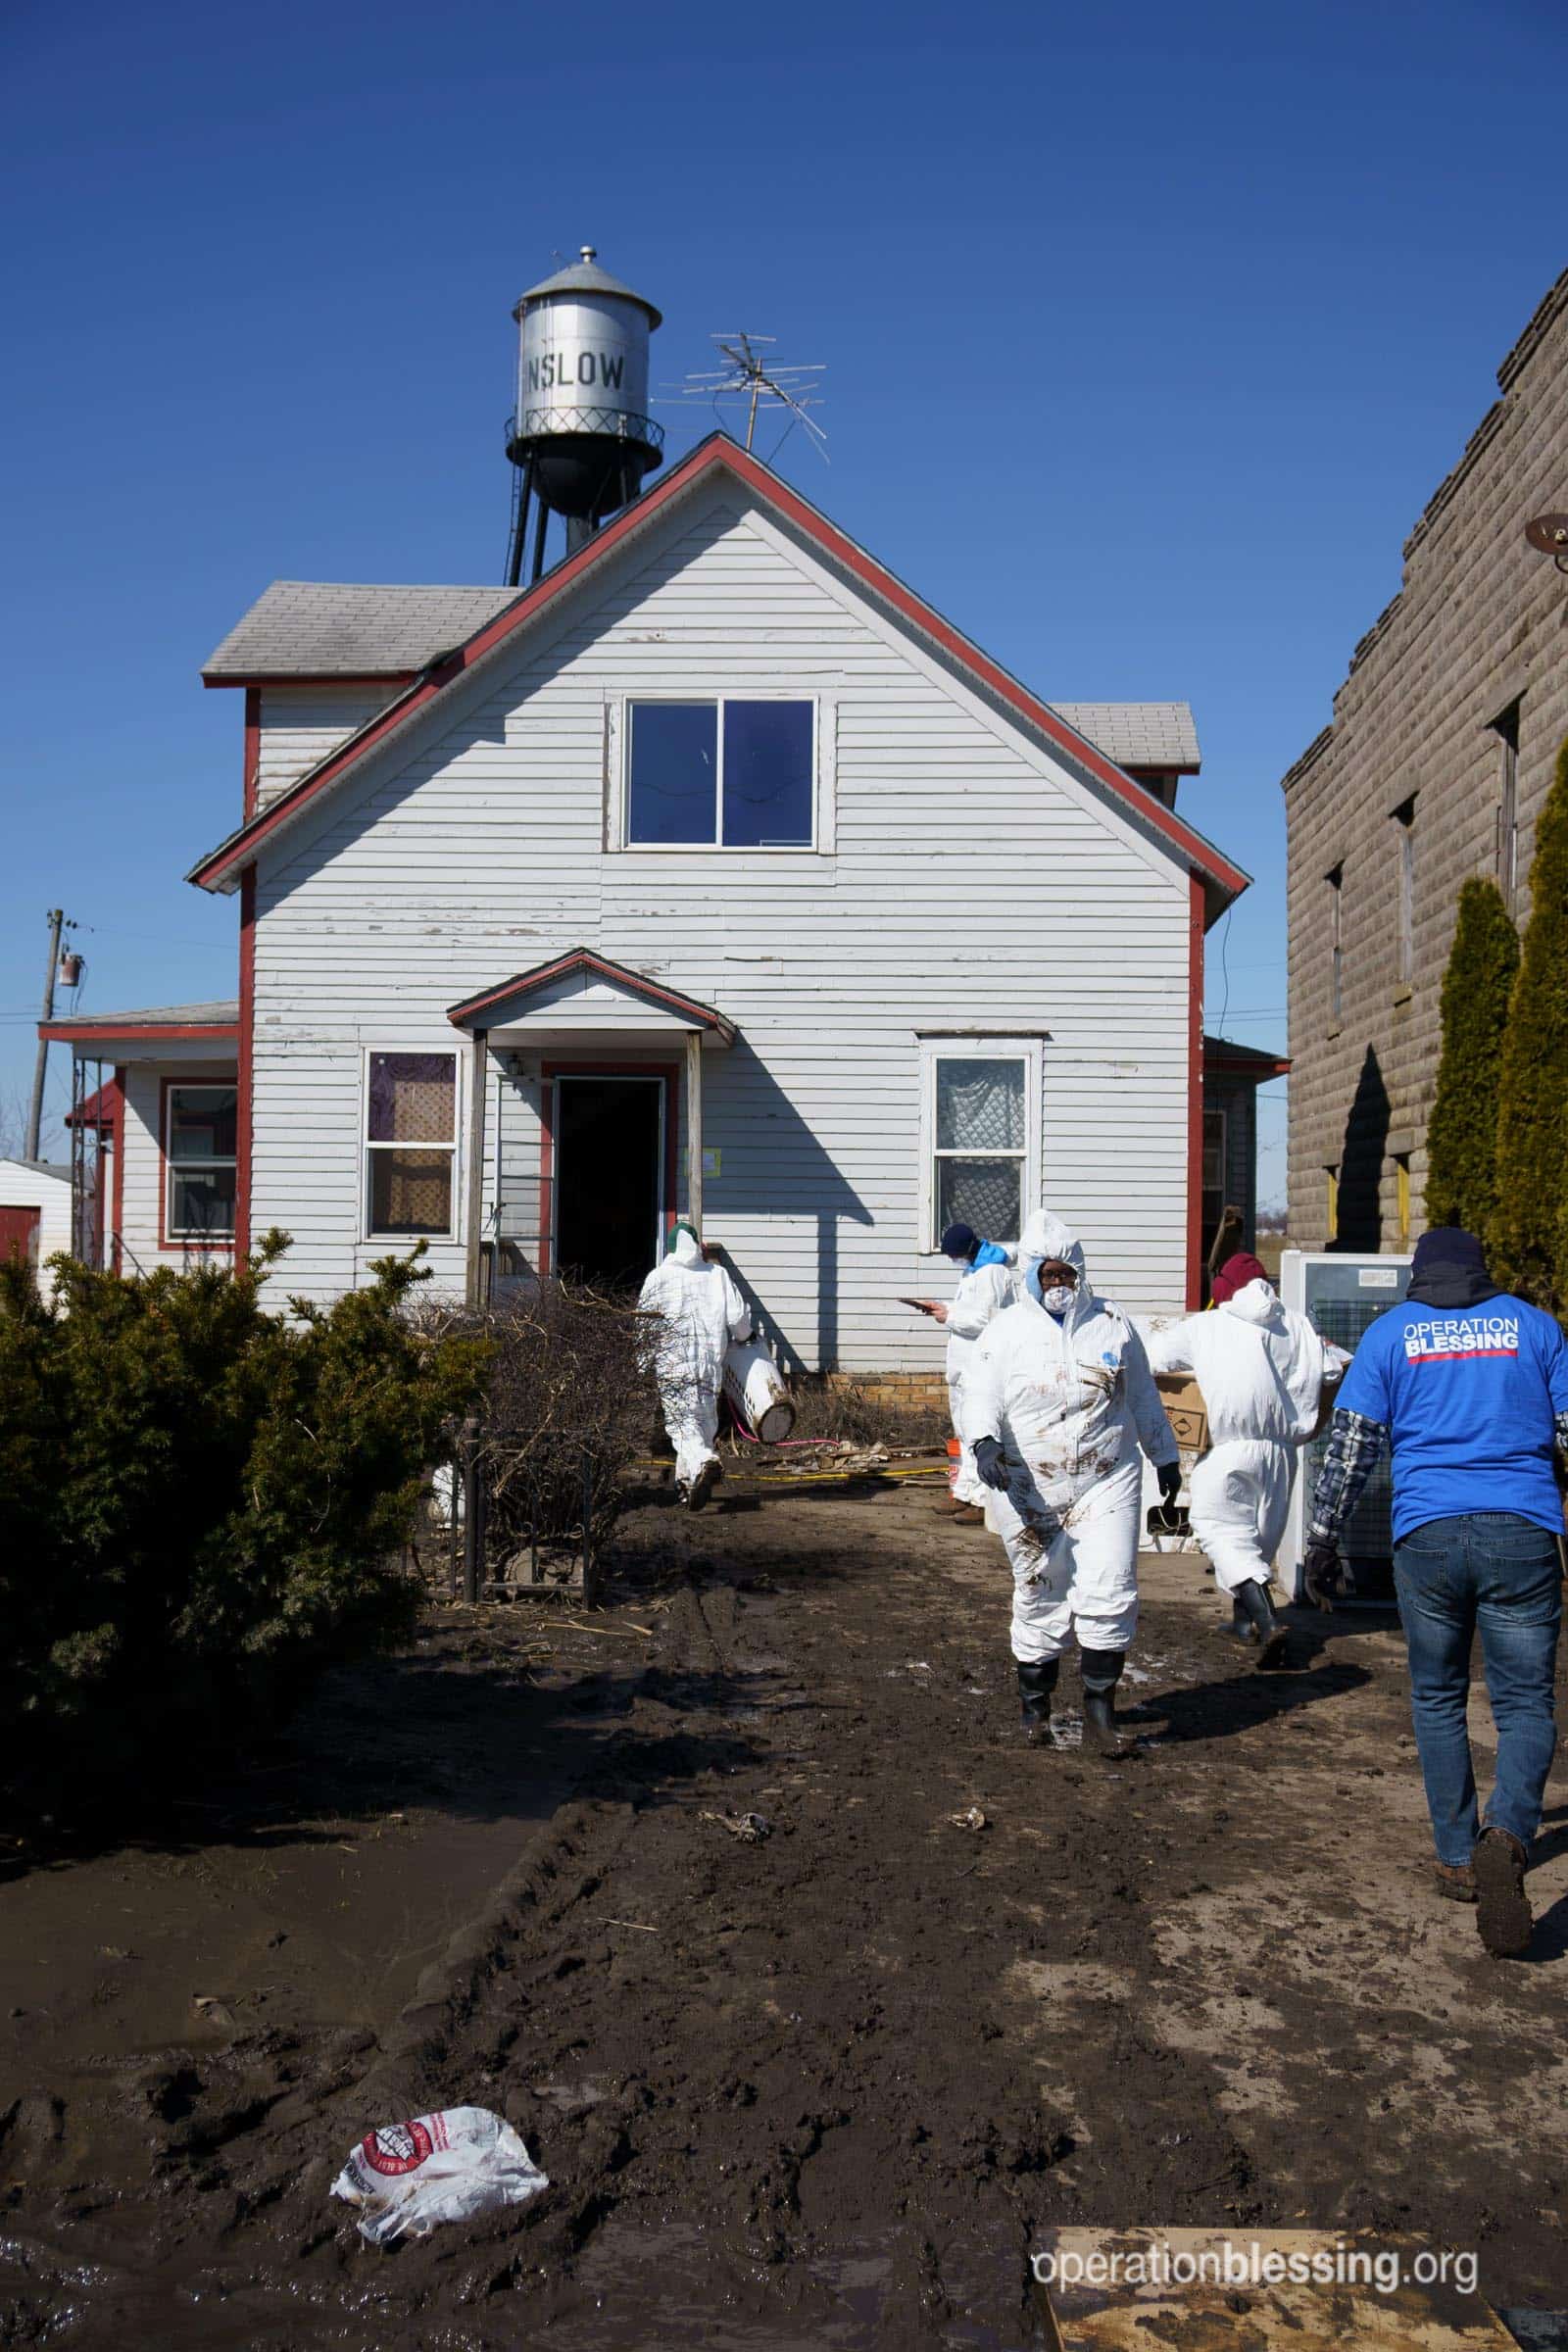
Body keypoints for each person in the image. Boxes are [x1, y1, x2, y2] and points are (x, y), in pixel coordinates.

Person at [1303, 1226, 1568, 1957]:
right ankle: (1508, 1832)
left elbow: (1352, 1445)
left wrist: (1321, 1539)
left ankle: (1456, 1855)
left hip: (1427, 1537)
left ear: (1419, 1275)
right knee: (1524, 1703)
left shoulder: (1392, 1336)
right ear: (1482, 1270)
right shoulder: (1535, 1327)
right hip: (1522, 1531)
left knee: (1438, 1697)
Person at [963, 1210, 1182, 1756]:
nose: (1058, 1284)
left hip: (1106, 1479)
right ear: (1031, 1275)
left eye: (1067, 1275)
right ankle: (1034, 1713)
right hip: (1027, 1483)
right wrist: (984, 1443)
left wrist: (1165, 1455)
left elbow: (1143, 1397)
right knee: (1040, 1591)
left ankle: (1100, 1719)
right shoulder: (1006, 1330)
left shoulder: (1112, 1323)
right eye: (1048, 1275)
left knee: (1110, 1588)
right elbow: (980, 1392)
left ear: (1081, 1275)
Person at [1148, 1250, 1338, 1669]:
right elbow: (1334, 1369)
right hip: (1284, 1450)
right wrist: (1313, 1420)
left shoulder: (1209, 1324)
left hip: (1230, 1443)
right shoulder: (1298, 1323)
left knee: (1218, 1529)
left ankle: (1269, 1624)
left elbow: (1154, 1358)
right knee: (1257, 1538)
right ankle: (1243, 1623)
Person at [637, 1222, 753, 1510]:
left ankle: (705, 1461)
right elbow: (737, 1316)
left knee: (682, 1425)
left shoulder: (659, 1278)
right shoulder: (718, 1276)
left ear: (672, 1247)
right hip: (709, 1363)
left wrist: (641, 1362)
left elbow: (645, 1323)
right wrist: (746, 1337)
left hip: (674, 1364)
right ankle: (688, 1485)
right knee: (702, 1424)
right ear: (697, 1245)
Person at [910, 1222, 1016, 1522]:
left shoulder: (993, 1273)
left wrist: (949, 1315)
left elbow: (989, 1321)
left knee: (978, 1434)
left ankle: (983, 1502)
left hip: (981, 1367)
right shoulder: (972, 1271)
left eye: (953, 1254)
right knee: (963, 1433)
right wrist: (942, 1307)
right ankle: (964, 1493)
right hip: (962, 1369)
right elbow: (966, 1311)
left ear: (966, 1249)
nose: (951, 1259)